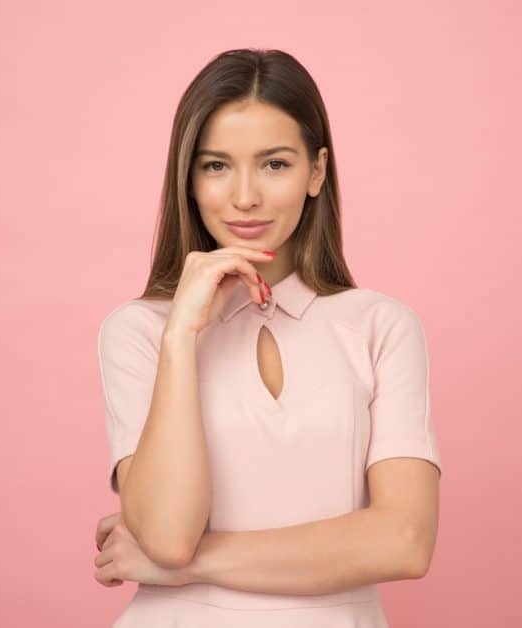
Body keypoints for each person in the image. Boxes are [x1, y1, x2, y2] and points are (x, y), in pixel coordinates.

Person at [92, 48, 442, 627]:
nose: (245, 195)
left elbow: (403, 541)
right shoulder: (140, 332)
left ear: (317, 171)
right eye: (216, 165)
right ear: (188, 177)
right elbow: (167, 535)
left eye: (275, 164)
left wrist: (187, 566)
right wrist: (181, 333)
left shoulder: (380, 326)